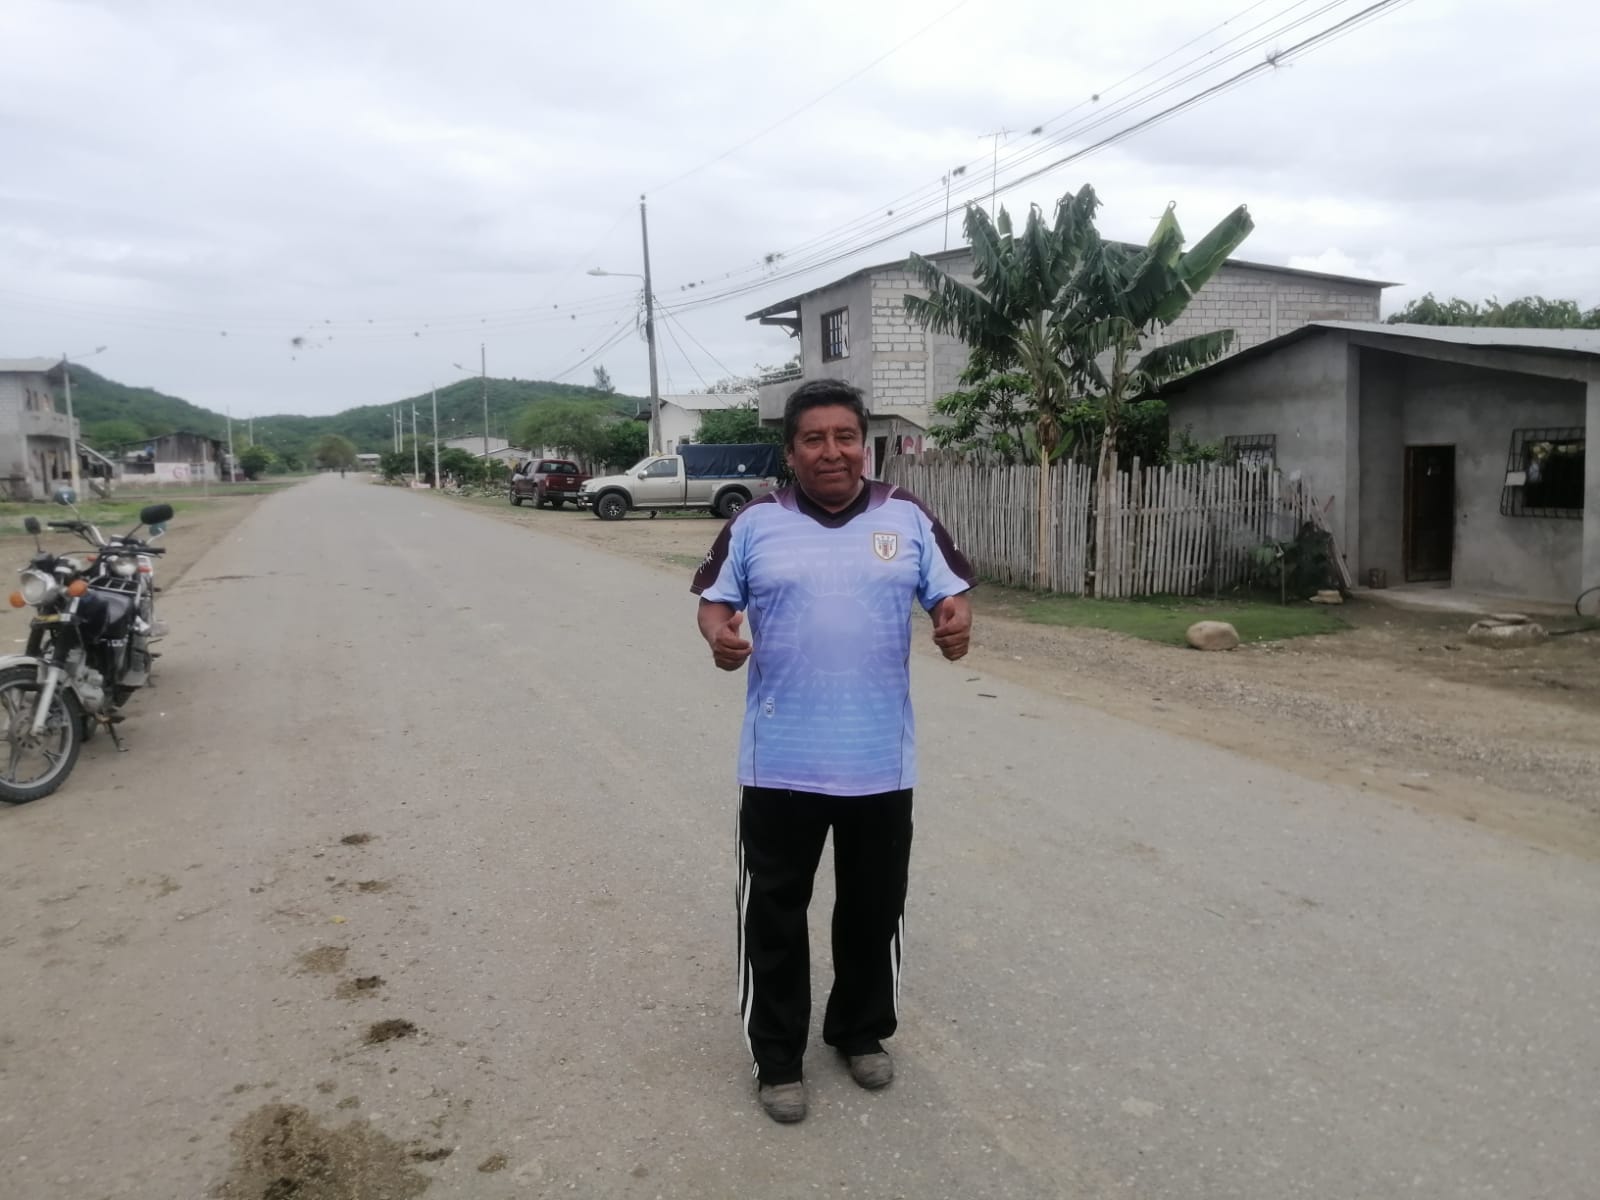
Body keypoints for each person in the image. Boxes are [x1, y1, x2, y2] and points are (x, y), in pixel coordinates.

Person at [690, 378, 974, 1124]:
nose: (832, 451)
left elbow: (949, 594)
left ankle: (860, 1031)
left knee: (873, 910)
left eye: (844, 436)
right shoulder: (756, 522)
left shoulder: (905, 515)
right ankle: (778, 1058)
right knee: (774, 916)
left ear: (863, 445)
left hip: (879, 761)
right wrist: (719, 636)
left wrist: (954, 621)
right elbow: (715, 601)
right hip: (780, 761)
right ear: (790, 452)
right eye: (813, 439)